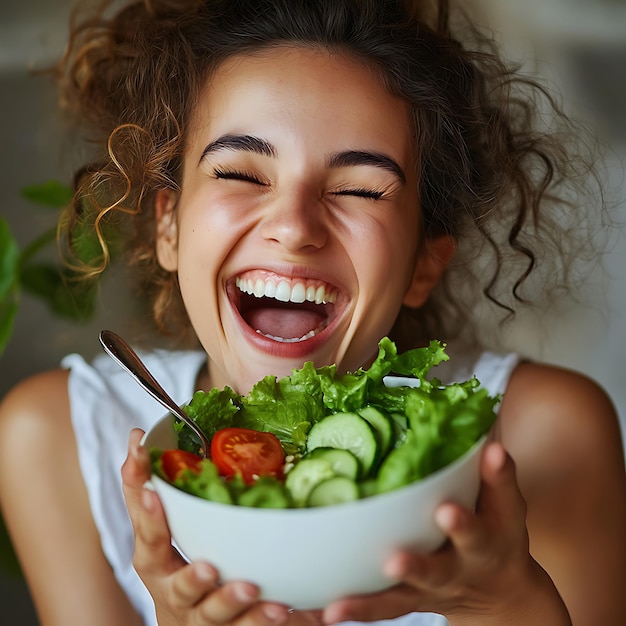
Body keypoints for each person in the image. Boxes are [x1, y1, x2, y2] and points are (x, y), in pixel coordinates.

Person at [0, 0, 624, 625]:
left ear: (424, 264)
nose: (296, 227)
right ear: (169, 225)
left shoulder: (547, 438)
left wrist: (506, 605)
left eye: (357, 189)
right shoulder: (54, 441)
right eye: (241, 172)